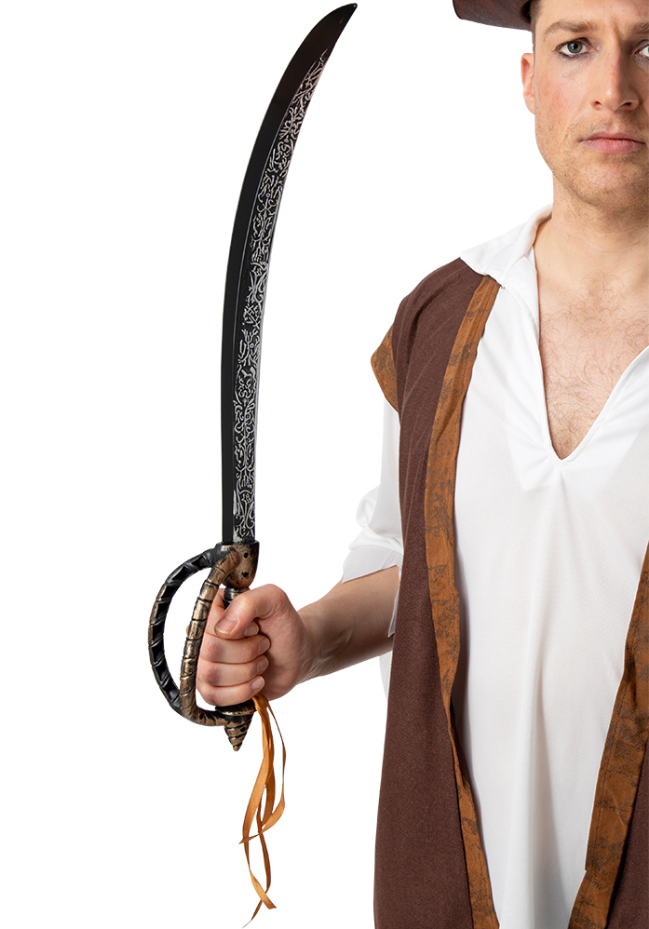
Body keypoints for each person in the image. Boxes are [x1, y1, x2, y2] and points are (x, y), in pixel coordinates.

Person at [197, 0, 649, 926]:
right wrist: (305, 637)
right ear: (529, 80)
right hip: (449, 890)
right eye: (575, 45)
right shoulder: (438, 322)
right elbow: (415, 573)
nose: (614, 88)